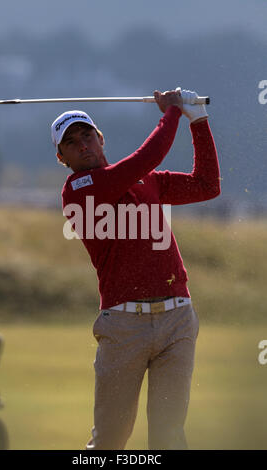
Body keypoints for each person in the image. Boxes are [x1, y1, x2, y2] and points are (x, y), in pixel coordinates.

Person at [51, 88, 221, 450]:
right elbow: (148, 156)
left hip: (178, 319)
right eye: (71, 142)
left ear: (100, 139)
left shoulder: (146, 181)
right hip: (123, 327)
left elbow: (208, 186)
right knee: (110, 441)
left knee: (169, 437)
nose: (82, 145)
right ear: (62, 157)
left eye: (87, 136)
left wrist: (199, 121)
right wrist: (174, 112)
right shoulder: (79, 189)